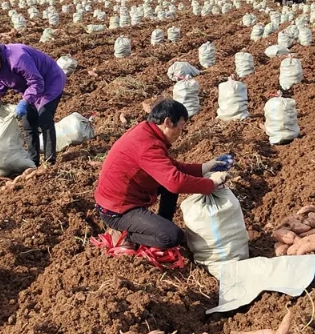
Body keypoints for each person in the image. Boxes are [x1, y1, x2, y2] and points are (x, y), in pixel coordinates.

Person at [94, 99, 234, 252]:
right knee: (172, 237)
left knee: (169, 184)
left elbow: (171, 168)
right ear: (167, 122)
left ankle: (161, 224)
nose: (181, 133)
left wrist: (204, 168)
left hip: (124, 197)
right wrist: (210, 184)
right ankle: (126, 235)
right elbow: (176, 182)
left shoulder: (146, 131)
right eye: (180, 127)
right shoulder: (147, 145)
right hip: (117, 210)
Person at [0, 41, 67, 167]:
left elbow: (36, 82)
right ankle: (33, 161)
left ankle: (50, 161)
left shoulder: (17, 58)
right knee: (28, 124)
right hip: (31, 88)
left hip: (50, 81)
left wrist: (25, 101)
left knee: (44, 119)